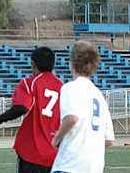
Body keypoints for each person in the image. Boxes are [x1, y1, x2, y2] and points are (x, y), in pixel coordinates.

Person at [0, 47, 62, 173]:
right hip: (55, 153)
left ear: (33, 64)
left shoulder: (30, 83)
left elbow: (21, 107)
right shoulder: (62, 86)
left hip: (31, 152)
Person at [51, 41, 115, 173]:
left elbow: (72, 118)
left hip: (70, 165)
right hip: (95, 166)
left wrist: (57, 138)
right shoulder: (99, 95)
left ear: (72, 63)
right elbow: (109, 140)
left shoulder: (70, 87)